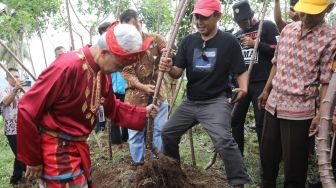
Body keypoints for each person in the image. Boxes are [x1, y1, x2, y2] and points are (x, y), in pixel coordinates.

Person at [16, 22, 158, 188]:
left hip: (78, 148)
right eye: (119, 66)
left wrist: (143, 112)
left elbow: (113, 107)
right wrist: (33, 159)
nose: (118, 71)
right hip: (56, 151)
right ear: (104, 53)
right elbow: (27, 108)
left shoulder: (101, 73)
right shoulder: (67, 66)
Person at [159, 0, 250, 187]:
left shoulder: (229, 42)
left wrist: (244, 88)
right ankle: (174, 173)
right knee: (168, 132)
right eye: (196, 17)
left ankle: (238, 182)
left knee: (223, 140)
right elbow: (177, 71)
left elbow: (240, 70)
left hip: (216, 101)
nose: (199, 22)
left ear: (217, 16)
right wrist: (168, 67)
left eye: (205, 18)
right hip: (191, 101)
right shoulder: (189, 41)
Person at [258, 0, 336, 187]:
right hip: (274, 103)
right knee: (268, 156)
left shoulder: (330, 38)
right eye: (304, 12)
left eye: (313, 13)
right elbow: (276, 63)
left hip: (299, 110)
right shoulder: (288, 30)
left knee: (294, 166)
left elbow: (326, 80)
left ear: (329, 8)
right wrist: (267, 89)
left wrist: (321, 114)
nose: (306, 17)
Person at [119, 9, 171, 165]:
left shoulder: (156, 40)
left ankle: (158, 165)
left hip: (158, 94)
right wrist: (141, 86)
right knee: (135, 134)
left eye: (134, 28)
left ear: (140, 23)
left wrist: (167, 57)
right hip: (134, 97)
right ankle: (139, 166)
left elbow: (169, 53)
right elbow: (126, 72)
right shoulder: (123, 47)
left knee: (160, 131)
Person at [231, 0, 279, 155]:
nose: (241, 25)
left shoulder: (267, 26)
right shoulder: (237, 35)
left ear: (251, 17)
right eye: (238, 22)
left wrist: (256, 44)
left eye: (243, 21)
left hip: (262, 83)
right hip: (242, 84)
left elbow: (279, 50)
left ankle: (267, 161)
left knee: (261, 123)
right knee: (235, 119)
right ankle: (238, 159)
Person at [98, 21, 129, 148]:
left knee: (125, 113)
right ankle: (116, 142)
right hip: (112, 89)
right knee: (113, 115)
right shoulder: (102, 51)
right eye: (101, 34)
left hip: (125, 88)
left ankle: (126, 138)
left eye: (104, 33)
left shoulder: (120, 46)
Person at [0, 68, 26, 186]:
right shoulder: (3, 90)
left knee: (19, 154)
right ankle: (30, 177)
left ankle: (15, 179)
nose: (15, 78)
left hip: (23, 127)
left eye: (17, 76)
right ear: (7, 78)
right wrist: (15, 89)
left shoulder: (22, 90)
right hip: (12, 130)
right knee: (21, 155)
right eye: (12, 76)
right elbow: (5, 102)